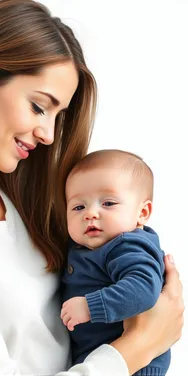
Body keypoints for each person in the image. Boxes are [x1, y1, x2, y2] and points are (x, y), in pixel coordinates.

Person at [0, 1, 183, 376]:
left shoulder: (14, 193)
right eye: (39, 107)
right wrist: (137, 347)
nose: (49, 135)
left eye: (59, 116)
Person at [60, 149, 171, 376]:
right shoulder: (90, 246)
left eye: (108, 203)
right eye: (78, 207)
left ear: (142, 212)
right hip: (102, 360)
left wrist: (90, 306)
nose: (90, 213)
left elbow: (143, 288)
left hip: (136, 365)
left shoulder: (126, 245)